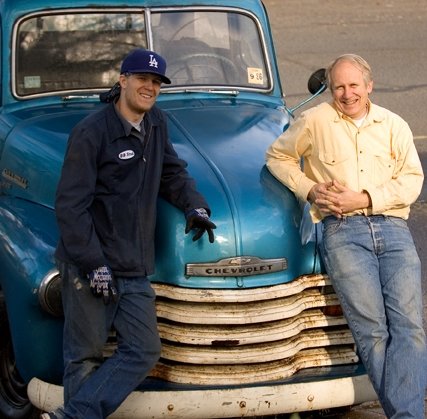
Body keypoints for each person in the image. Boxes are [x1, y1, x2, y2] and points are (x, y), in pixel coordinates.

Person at [44, 48, 216, 419]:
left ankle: (72, 416)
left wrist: (195, 206)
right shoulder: (91, 132)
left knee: (143, 349)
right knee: (84, 356)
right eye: (142, 79)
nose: (149, 87)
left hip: (133, 263)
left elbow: (172, 173)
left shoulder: (156, 123)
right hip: (91, 262)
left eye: (156, 82)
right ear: (122, 81)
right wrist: (93, 264)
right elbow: (71, 206)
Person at [266, 54, 426, 418]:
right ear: (330, 89)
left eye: (354, 85)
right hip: (342, 231)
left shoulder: (394, 125)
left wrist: (365, 198)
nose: (347, 93)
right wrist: (309, 189)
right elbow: (277, 157)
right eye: (339, 86)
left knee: (410, 327)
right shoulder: (314, 121)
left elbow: (412, 181)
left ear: (369, 86)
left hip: (393, 227)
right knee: (372, 330)